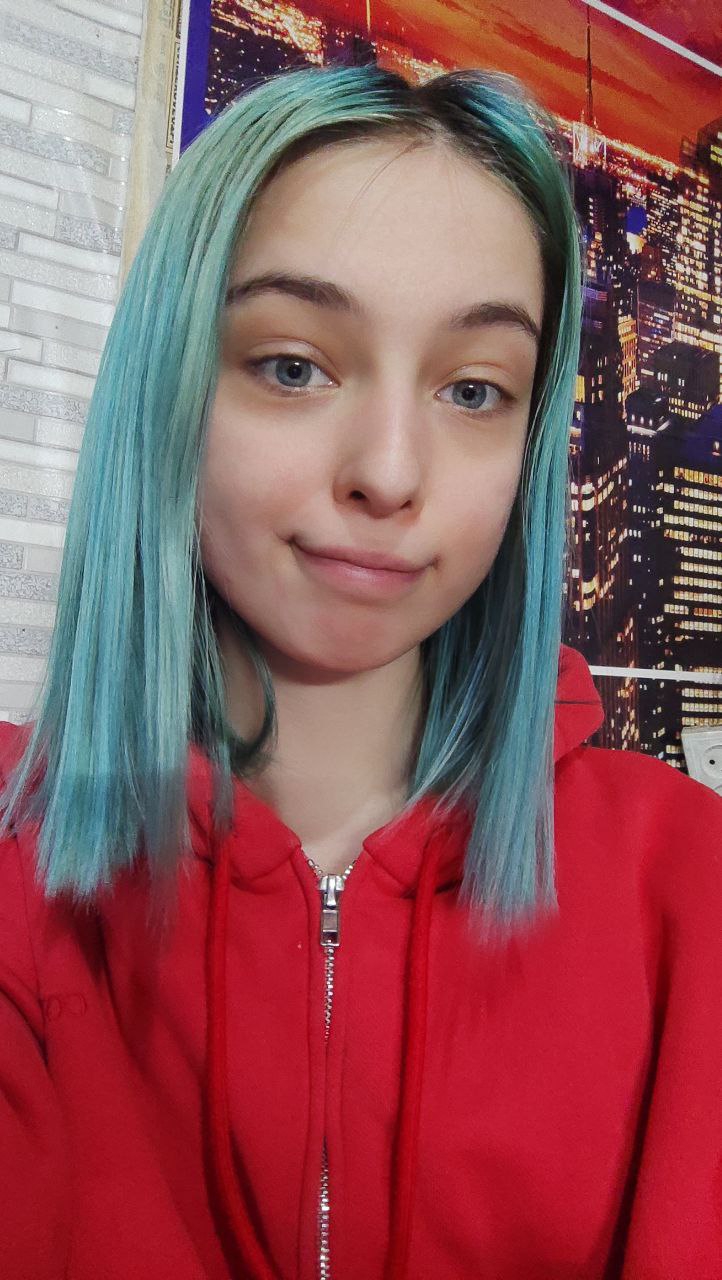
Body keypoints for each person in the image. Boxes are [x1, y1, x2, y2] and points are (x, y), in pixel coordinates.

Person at [0, 60, 721, 1280]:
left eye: (474, 389)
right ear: (170, 384)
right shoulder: (18, 866)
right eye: (292, 365)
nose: (388, 472)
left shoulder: (686, 883)